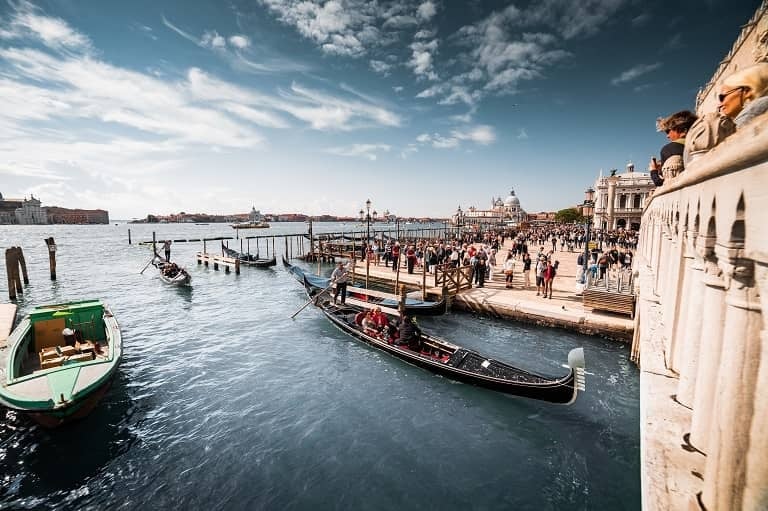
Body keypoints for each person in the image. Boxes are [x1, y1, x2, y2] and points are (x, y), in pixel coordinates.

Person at [651, 110, 698, 186]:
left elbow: (661, 182)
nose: (667, 136)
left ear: (683, 131)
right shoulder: (699, 143)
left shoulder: (669, 149)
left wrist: (653, 170)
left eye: (668, 131)